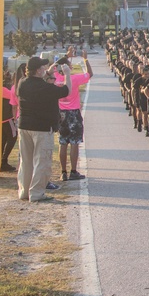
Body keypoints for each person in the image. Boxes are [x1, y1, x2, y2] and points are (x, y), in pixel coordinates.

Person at [17, 56, 71, 201]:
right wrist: (67, 74)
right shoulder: (44, 88)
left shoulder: (22, 83)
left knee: (26, 162)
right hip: (42, 127)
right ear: (37, 70)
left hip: (24, 126)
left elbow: (37, 82)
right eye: (42, 68)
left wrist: (47, 73)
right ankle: (37, 193)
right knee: (42, 162)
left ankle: (24, 191)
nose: (44, 69)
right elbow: (66, 90)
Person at [56, 49, 93, 182]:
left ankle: (63, 172)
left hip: (61, 113)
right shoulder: (74, 79)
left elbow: (52, 67)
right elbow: (90, 74)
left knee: (62, 142)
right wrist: (85, 59)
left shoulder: (56, 78)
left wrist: (66, 56)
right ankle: (73, 171)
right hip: (73, 113)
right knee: (74, 143)